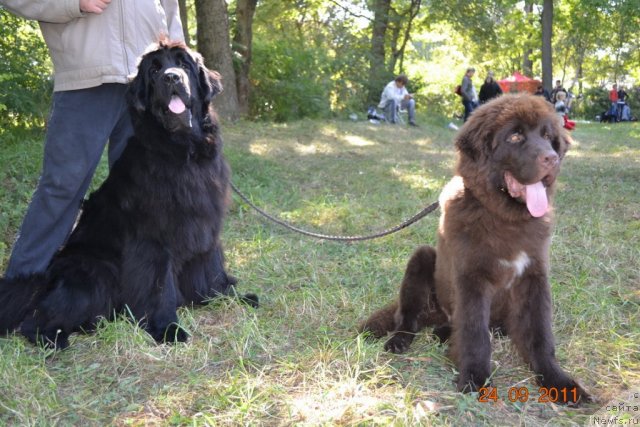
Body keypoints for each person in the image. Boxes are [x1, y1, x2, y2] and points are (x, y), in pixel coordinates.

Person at [1, 0, 184, 279]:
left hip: (149, 82)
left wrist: (178, 68)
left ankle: (149, 286)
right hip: (84, 80)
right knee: (62, 186)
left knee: (149, 189)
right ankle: (21, 283)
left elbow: (169, 9)